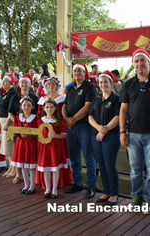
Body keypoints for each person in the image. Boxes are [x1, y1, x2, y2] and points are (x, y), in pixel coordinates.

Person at [119, 48, 150, 214]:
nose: (139, 64)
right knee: (135, 170)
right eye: (136, 61)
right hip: (133, 134)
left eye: (142, 60)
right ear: (133, 64)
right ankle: (136, 198)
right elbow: (123, 110)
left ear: (149, 63)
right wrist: (122, 132)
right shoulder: (128, 84)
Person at [62, 63, 98, 198]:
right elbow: (64, 107)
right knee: (74, 157)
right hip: (71, 128)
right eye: (75, 71)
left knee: (89, 157)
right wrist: (67, 120)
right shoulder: (70, 89)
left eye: (79, 71)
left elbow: (88, 107)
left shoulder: (90, 87)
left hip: (84, 127)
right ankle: (77, 183)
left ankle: (91, 185)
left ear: (84, 73)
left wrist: (73, 120)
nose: (76, 73)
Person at [89, 70, 121, 205]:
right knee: (101, 165)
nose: (103, 84)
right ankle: (106, 191)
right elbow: (90, 117)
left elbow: (117, 117)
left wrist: (104, 130)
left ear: (111, 83)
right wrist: (98, 128)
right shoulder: (96, 100)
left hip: (111, 136)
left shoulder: (116, 99)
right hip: (95, 135)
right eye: (101, 82)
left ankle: (114, 193)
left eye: (105, 82)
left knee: (109, 165)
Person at [36, 76, 72, 189]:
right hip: (45, 132)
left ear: (57, 85)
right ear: (45, 86)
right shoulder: (42, 99)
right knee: (46, 157)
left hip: (58, 130)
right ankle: (46, 184)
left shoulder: (63, 98)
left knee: (58, 156)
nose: (51, 86)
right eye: (49, 84)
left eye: (53, 83)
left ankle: (61, 181)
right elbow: (39, 115)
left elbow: (66, 112)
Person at [4, 74, 38, 183]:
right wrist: (19, 126)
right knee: (18, 152)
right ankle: (18, 175)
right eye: (22, 82)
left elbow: (38, 112)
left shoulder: (34, 97)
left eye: (26, 82)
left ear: (29, 84)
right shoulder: (15, 96)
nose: (24, 84)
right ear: (19, 84)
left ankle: (31, 177)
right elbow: (10, 113)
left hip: (32, 127)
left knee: (32, 153)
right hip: (18, 126)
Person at [38, 98, 70, 198]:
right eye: (47, 107)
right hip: (44, 148)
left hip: (55, 147)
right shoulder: (40, 121)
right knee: (46, 168)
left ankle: (54, 188)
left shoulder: (59, 120)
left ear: (55, 108)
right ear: (44, 108)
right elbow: (38, 134)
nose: (49, 109)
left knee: (55, 168)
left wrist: (56, 136)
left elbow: (64, 135)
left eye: (51, 107)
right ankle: (47, 188)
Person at [12, 97, 38, 194]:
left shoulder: (35, 119)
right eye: (24, 105)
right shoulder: (17, 118)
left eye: (28, 105)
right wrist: (19, 133)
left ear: (32, 107)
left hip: (31, 144)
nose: (26, 107)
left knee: (31, 165)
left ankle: (32, 186)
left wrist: (28, 134)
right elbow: (14, 131)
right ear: (21, 107)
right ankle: (26, 185)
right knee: (23, 165)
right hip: (21, 143)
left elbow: (38, 132)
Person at [0, 74, 18, 177]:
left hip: (8, 122)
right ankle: (11, 166)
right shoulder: (5, 93)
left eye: (5, 81)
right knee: (7, 148)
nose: (3, 83)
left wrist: (6, 123)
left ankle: (14, 168)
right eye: (3, 81)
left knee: (10, 146)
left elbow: (11, 111)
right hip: (3, 121)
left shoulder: (13, 93)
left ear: (10, 82)